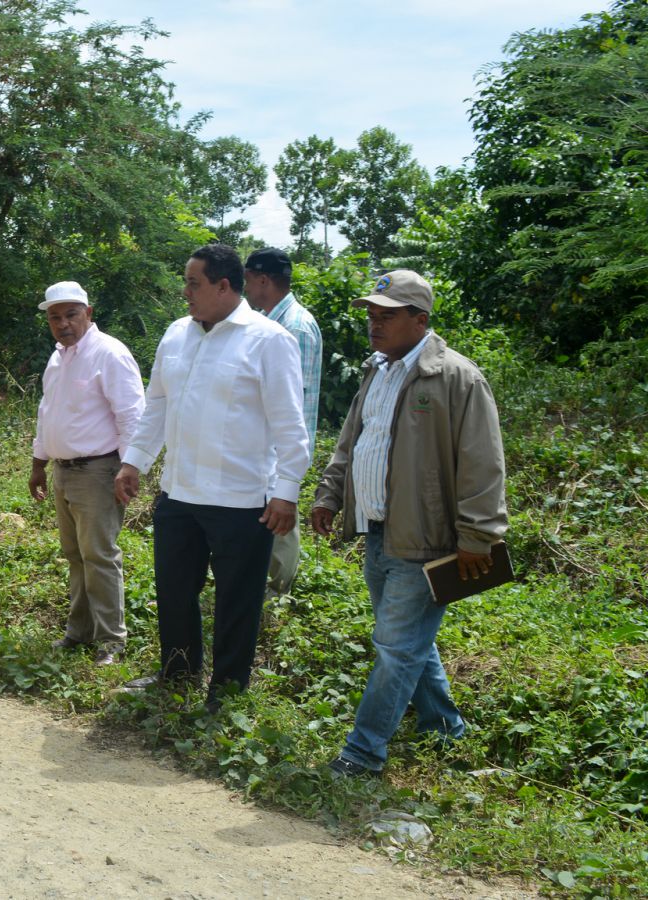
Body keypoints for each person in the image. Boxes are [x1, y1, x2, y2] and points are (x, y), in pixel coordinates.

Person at [309, 270, 507, 778]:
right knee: (411, 642)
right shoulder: (378, 371)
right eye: (372, 314)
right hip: (379, 531)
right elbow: (353, 442)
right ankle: (446, 733)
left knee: (396, 649)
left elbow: (483, 462)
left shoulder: (457, 379)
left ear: (420, 320)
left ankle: (363, 752)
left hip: (426, 541)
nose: (375, 324)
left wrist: (479, 536)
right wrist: (330, 494)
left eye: (387, 316)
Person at [114, 244, 310, 705]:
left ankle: (227, 694)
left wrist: (286, 493)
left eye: (193, 284)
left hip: (242, 501)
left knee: (236, 604)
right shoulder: (177, 334)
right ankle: (178, 675)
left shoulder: (268, 340)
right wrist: (133, 461)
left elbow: (290, 425)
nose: (185, 293)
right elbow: (156, 404)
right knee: (176, 592)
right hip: (179, 494)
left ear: (225, 286)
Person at [29, 281, 146, 667]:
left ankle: (111, 641)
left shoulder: (108, 353)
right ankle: (78, 632)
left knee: (99, 555)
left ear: (88, 314)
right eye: (55, 317)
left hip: (99, 470)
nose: (63, 324)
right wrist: (38, 464)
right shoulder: (58, 358)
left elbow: (131, 414)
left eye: (71, 315)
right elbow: (48, 413)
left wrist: (129, 468)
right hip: (64, 471)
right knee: (75, 555)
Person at [243, 247, 323, 596]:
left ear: (263, 281)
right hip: (266, 450)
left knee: (281, 524)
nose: (245, 290)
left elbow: (296, 405)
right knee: (266, 523)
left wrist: (287, 467)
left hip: (281, 451)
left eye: (247, 282)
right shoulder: (274, 323)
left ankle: (278, 595)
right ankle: (264, 590)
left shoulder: (295, 328)